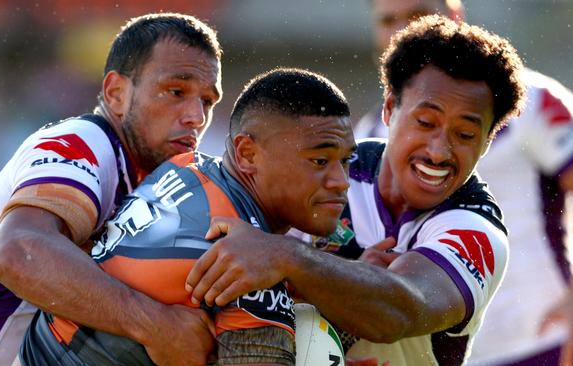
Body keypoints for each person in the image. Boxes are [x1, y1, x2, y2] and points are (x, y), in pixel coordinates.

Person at [185, 15, 525, 365]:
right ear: (390, 109)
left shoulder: (476, 231)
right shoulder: (334, 165)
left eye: (465, 135)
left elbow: (401, 310)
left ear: (487, 142)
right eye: (425, 123)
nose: (439, 150)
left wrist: (287, 258)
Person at [19, 68, 356, 365]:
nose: (341, 181)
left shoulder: (186, 165)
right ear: (247, 153)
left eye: (345, 161)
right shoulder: (246, 268)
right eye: (319, 161)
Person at [0, 13, 223, 366]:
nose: (196, 116)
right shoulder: (81, 142)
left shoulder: (160, 182)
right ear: (116, 93)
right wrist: (155, 325)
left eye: (207, 101)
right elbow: (18, 252)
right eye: (176, 91)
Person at [358, 1, 573, 365]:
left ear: (455, 14)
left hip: (544, 344)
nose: (401, 29)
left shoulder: (529, 102)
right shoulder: (367, 138)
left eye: (416, 15)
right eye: (388, 20)